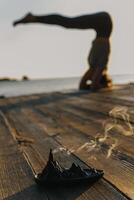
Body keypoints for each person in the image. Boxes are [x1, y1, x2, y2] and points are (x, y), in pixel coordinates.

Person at [13, 12, 113, 90]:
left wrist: (96, 84)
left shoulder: (94, 67)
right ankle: (34, 18)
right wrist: (101, 86)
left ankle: (35, 18)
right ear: (101, 77)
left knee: (68, 22)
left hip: (102, 30)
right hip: (102, 28)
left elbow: (83, 86)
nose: (91, 78)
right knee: (69, 23)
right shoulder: (100, 66)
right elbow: (93, 86)